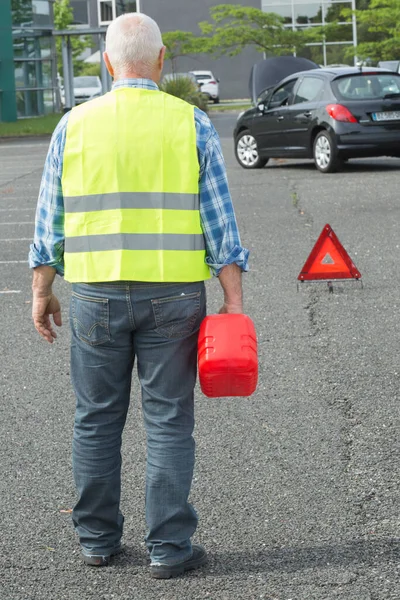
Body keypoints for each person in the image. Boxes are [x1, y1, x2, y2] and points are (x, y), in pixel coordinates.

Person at [29, 13, 249, 579]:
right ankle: (169, 549)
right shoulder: (191, 123)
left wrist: (42, 288)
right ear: (160, 58)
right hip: (174, 294)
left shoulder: (74, 124)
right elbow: (220, 223)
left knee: (96, 418)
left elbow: (49, 219)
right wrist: (234, 305)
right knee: (169, 421)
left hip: (96, 295)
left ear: (107, 62)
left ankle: (98, 541)